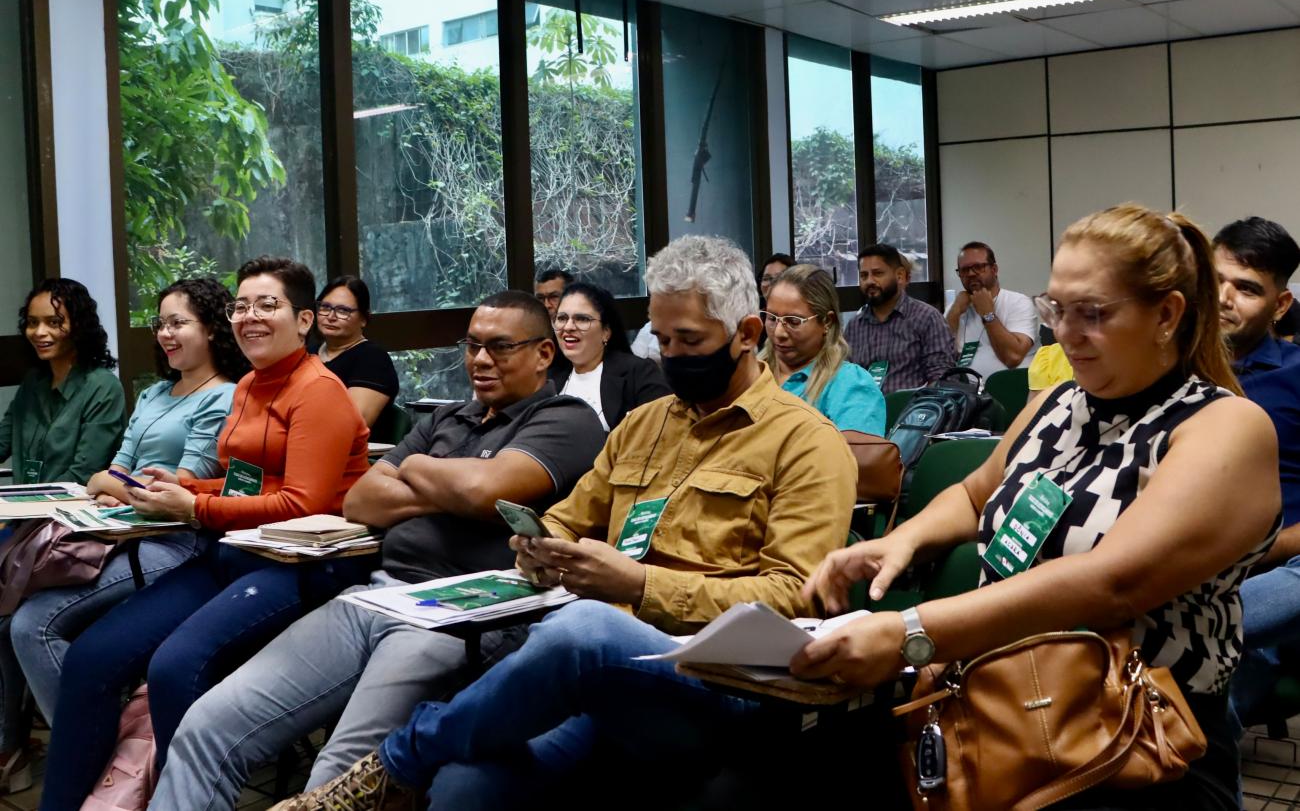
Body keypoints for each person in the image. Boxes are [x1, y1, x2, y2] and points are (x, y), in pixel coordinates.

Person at [271, 235, 857, 811]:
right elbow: (566, 521)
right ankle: (407, 770)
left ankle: (393, 765)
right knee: (467, 785)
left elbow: (795, 593)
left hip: (720, 680)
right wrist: (541, 547)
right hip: (599, 670)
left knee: (586, 628)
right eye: (661, 339)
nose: (672, 355)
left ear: (747, 334)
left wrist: (638, 584)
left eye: (690, 340)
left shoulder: (805, 442)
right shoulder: (646, 425)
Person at [791, 204, 1276, 810]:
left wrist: (913, 633)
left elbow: (1110, 583)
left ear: (1166, 314)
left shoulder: (1224, 426)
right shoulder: (1056, 404)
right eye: (1056, 309)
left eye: (1092, 313)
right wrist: (900, 540)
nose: (1065, 333)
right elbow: (975, 494)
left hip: (1136, 736)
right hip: (1007, 704)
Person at [149, 291, 606, 811]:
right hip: (375, 595)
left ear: (544, 353)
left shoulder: (565, 419)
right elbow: (363, 500)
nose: (481, 360)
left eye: (499, 347)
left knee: (338, 776)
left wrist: (415, 468)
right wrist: (454, 486)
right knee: (205, 726)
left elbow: (484, 491)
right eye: (472, 346)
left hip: (460, 612)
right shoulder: (447, 417)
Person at [37, 257, 374, 811]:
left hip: (302, 563)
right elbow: (250, 482)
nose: (250, 316)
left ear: (304, 320)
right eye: (241, 306)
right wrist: (188, 482)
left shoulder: (319, 391)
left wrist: (195, 505)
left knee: (175, 668)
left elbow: (302, 503)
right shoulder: (249, 385)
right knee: (92, 658)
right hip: (237, 549)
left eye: (268, 305)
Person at [0, 279, 246, 794]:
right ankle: (91, 752)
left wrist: (119, 486)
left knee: (31, 625)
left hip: (173, 545)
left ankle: (90, 762)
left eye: (179, 323)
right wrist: (121, 485)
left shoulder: (224, 396)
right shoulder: (155, 393)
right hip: (113, 535)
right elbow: (113, 470)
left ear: (211, 329)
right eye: (161, 324)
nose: (166, 334)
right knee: (18, 614)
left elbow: (180, 486)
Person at [1211, 217, 1300, 732]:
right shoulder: (1167, 372)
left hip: (1279, 569)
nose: (1224, 299)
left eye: (1246, 288)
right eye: (1215, 281)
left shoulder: (1297, 375)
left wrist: (1264, 550)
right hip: (1185, 565)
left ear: (1280, 305)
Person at [0, 279, 125, 485]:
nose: (39, 332)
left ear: (79, 327)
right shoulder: (33, 381)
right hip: (24, 501)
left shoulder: (103, 387)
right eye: (32, 322)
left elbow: (82, 474)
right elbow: (2, 442)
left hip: (71, 502)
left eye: (54, 322)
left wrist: (29, 501)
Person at [759, 264, 885, 434]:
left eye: (794, 321)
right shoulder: (752, 373)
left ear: (827, 322)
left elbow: (856, 451)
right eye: (772, 318)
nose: (779, 332)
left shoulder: (849, 385)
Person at [549, 281, 670, 431]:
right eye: (562, 318)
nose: (568, 327)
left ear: (606, 332)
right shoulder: (547, 378)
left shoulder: (639, 374)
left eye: (582, 319)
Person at [845, 243, 954, 394]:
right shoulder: (854, 327)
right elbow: (847, 378)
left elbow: (941, 378)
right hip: (864, 406)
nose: (869, 281)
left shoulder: (927, 318)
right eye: (864, 275)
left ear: (900, 276)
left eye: (877, 273)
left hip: (913, 407)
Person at [310, 275, 399, 430]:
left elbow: (351, 426)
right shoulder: (307, 353)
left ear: (363, 319)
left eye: (343, 310)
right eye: (325, 307)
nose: (331, 317)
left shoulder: (373, 359)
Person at [945, 241, 1039, 377]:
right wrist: (955, 312)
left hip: (1011, 386)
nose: (970, 273)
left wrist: (988, 314)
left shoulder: (1019, 303)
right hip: (966, 386)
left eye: (978, 267)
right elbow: (941, 355)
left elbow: (1013, 357)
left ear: (994, 269)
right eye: (964, 270)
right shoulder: (955, 308)